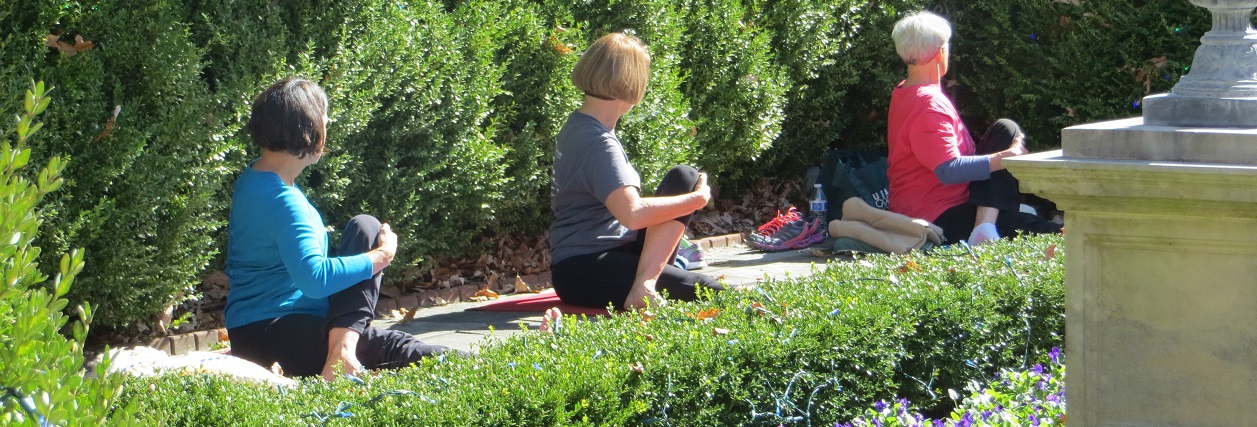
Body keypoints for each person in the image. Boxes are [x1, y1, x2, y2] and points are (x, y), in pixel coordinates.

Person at [224, 78, 454, 381]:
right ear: (307, 128)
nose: (327, 123)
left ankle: (340, 347)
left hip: (255, 333)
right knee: (392, 348)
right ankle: (482, 365)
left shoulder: (253, 178)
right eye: (324, 117)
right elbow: (316, 279)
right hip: (277, 334)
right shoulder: (284, 202)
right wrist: (381, 257)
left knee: (365, 226)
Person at [549, 33, 724, 310]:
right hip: (585, 268)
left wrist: (691, 193)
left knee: (685, 177)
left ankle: (645, 284)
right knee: (711, 292)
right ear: (630, 83)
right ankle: (643, 286)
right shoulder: (597, 142)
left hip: (610, 251)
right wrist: (699, 199)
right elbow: (633, 214)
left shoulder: (581, 125)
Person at [886, 11, 1033, 245]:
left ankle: (984, 225)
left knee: (1005, 129)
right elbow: (949, 170)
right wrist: (1007, 157)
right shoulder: (929, 104)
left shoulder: (905, 89)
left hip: (932, 202)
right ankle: (985, 227)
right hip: (939, 215)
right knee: (1046, 231)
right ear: (940, 52)